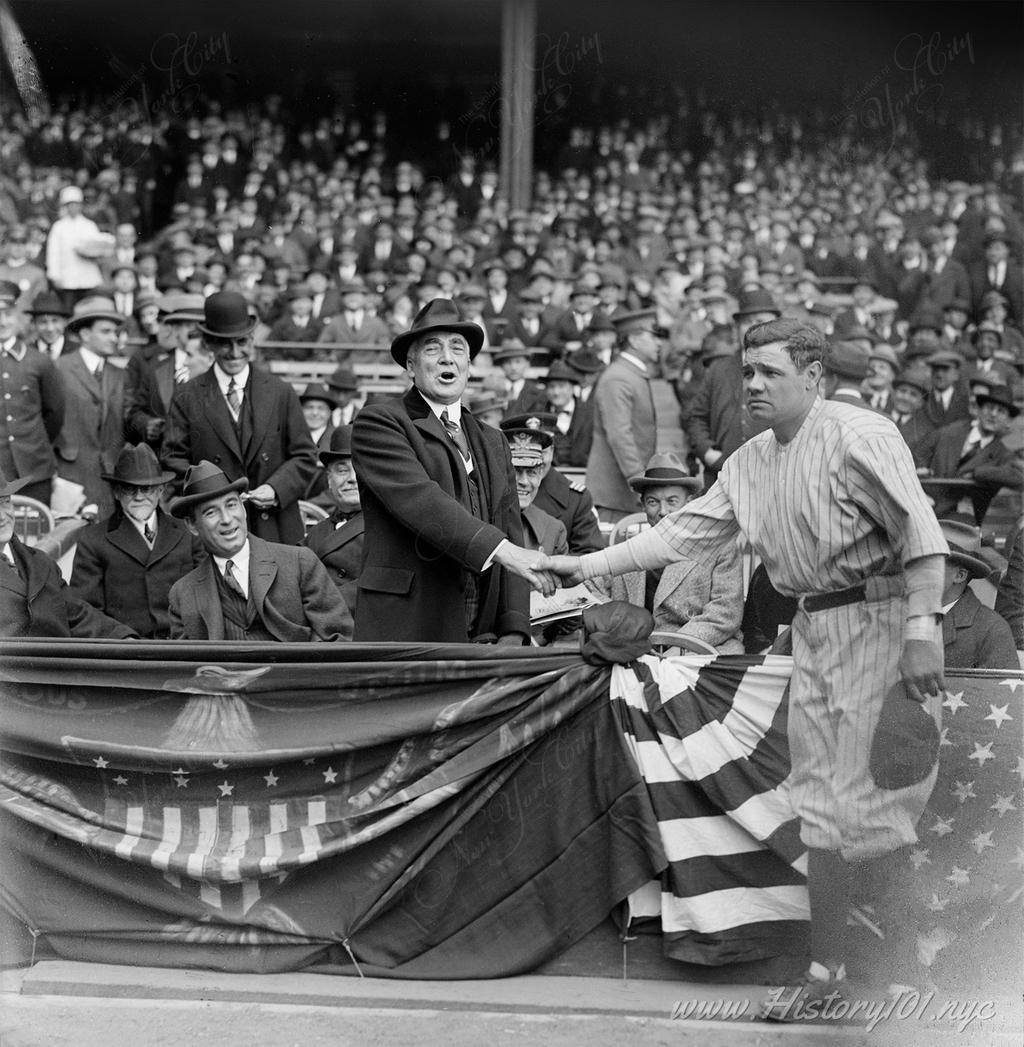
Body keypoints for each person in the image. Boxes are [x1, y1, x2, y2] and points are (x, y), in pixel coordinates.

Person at [536, 318, 949, 1006]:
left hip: (880, 616)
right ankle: (829, 973)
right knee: (818, 807)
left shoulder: (859, 434)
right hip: (815, 625)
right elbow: (679, 534)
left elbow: (922, 534)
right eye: (747, 371)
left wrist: (921, 628)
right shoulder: (750, 458)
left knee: (879, 802)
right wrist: (578, 563)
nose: (752, 383)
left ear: (813, 377)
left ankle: (905, 979)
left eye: (770, 372)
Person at [351, 298, 537, 643]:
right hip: (407, 622)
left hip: (480, 623)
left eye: (457, 348)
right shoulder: (379, 423)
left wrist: (513, 627)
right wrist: (505, 552)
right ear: (411, 365)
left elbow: (511, 527)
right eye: (432, 348)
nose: (446, 357)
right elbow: (422, 502)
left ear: (468, 364)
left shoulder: (493, 440)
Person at [162, 291, 318, 545]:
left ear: (252, 341)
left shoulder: (280, 391)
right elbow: (173, 461)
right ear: (209, 344)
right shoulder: (187, 396)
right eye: (225, 343)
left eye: (242, 342)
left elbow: (305, 455)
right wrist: (212, 497)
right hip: (217, 528)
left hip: (274, 526)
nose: (235, 353)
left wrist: (277, 489)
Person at [167, 460, 352, 642]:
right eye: (211, 512)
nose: (227, 519)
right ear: (192, 525)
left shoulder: (300, 563)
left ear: (243, 509)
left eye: (231, 505)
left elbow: (337, 639)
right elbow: (188, 666)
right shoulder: (182, 595)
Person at [589, 452, 744, 652]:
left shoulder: (720, 547)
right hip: (632, 649)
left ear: (690, 503)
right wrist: (619, 626)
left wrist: (681, 645)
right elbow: (590, 591)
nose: (662, 511)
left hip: (698, 647)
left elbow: (726, 613)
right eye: (653, 502)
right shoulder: (630, 549)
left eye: (672, 501)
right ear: (643, 505)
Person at [70, 444, 204, 639]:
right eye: (129, 489)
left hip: (184, 646)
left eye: (147, 488)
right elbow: (84, 610)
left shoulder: (188, 533)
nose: (139, 496)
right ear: (116, 493)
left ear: (160, 490)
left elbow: (207, 594)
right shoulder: (93, 540)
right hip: (127, 653)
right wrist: (121, 638)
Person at [0, 470, 135, 639]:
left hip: (57, 662)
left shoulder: (41, 563)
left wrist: (124, 638)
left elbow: (75, 614)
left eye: (5, 502)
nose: (2, 516)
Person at [54, 295, 129, 519]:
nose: (114, 338)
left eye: (115, 332)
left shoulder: (120, 375)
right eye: (106, 331)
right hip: (71, 477)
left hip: (110, 479)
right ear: (85, 334)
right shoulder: (59, 369)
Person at [585, 308, 661, 521]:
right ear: (635, 340)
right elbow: (620, 435)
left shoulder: (629, 374)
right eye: (653, 336)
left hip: (624, 494)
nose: (659, 343)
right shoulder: (618, 378)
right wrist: (638, 481)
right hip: (616, 496)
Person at [0, 280, 65, 506]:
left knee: (37, 535)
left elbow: (54, 413)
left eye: (7, 314)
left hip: (34, 471)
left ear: (17, 316)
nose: (2, 321)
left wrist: (33, 443)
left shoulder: (39, 361)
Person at [917, 385, 1022, 524]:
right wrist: (920, 474)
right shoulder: (949, 432)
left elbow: (1018, 476)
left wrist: (977, 473)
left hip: (962, 521)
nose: (993, 414)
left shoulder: (1002, 452)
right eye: (990, 407)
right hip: (924, 507)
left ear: (1008, 421)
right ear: (979, 410)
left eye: (1001, 411)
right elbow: (916, 456)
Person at [125, 292, 206, 449]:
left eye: (202, 326)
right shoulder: (155, 367)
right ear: (175, 329)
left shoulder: (217, 364)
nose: (197, 331)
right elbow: (135, 411)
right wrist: (147, 424)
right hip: (166, 461)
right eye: (190, 326)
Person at [935, 518, 1018, 669]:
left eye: (930, 564)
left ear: (959, 575)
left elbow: (1000, 692)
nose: (916, 571)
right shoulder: (893, 611)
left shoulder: (991, 630)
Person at [301, 425, 364, 612]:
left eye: (359, 470)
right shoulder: (316, 532)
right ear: (329, 479)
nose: (352, 479)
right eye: (342, 470)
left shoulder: (387, 528)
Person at [45, 185, 108, 310]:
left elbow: (99, 248)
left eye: (76, 204)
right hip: (68, 278)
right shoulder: (59, 227)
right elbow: (53, 253)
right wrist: (55, 275)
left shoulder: (89, 225)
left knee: (89, 309)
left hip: (88, 277)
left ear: (81, 205)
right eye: (70, 204)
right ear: (66, 206)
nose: (73, 207)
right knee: (69, 309)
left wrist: (92, 251)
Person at [543, 359, 594, 468]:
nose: (556, 392)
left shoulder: (591, 413)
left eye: (561, 386)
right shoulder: (538, 416)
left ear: (572, 388)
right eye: (551, 387)